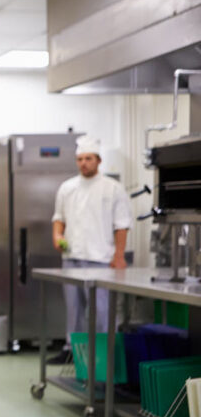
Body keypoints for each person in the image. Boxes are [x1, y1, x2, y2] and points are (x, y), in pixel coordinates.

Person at [48, 135, 131, 364]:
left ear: (99, 160)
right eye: (80, 159)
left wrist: (119, 256)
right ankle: (72, 352)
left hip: (101, 261)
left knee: (103, 312)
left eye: (88, 158)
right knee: (74, 310)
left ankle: (105, 355)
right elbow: (59, 218)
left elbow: (122, 225)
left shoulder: (113, 189)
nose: (84, 163)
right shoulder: (67, 188)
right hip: (72, 259)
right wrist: (57, 235)